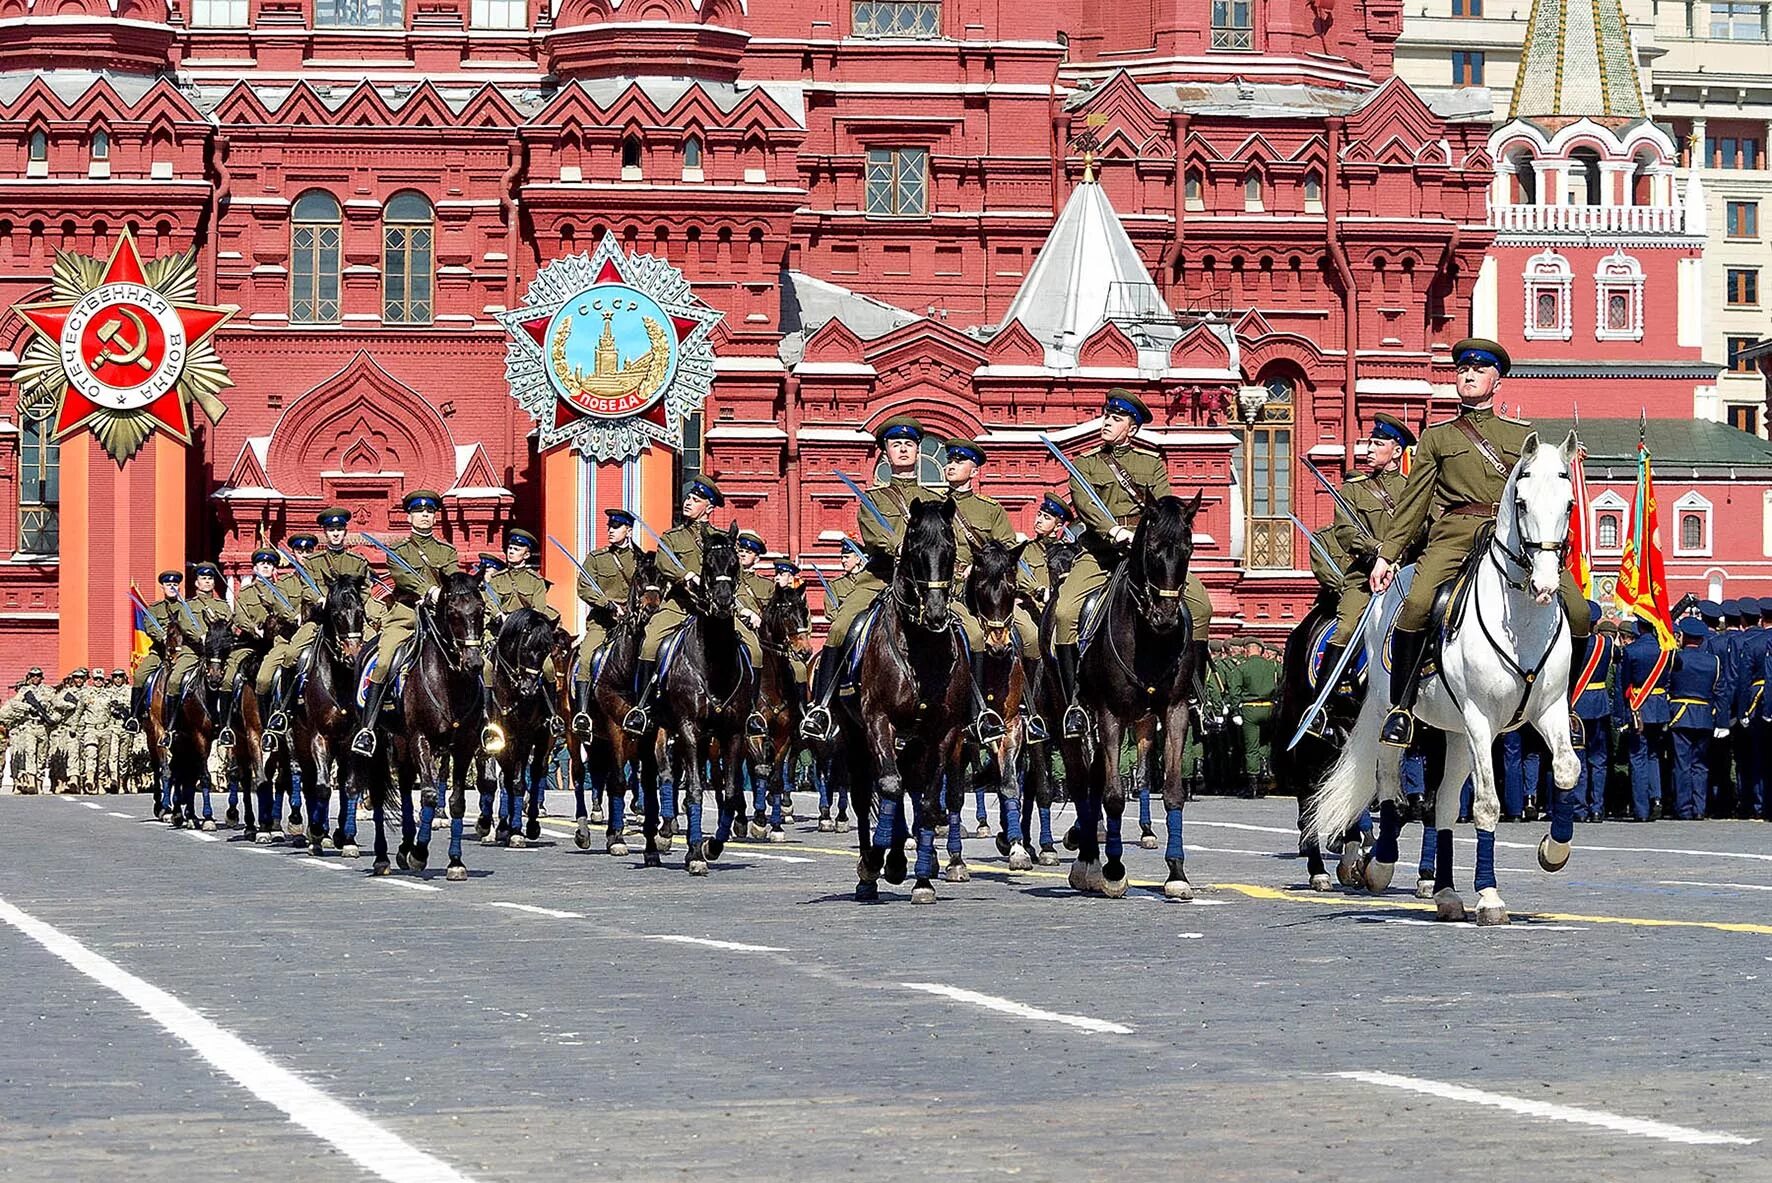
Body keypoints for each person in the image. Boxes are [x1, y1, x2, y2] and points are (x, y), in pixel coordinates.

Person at [1367, 338, 1592, 747]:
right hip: (1454, 534)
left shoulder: (1523, 435)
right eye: (1461, 371)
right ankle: (1401, 707)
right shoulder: (1437, 438)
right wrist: (1388, 554)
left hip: (1514, 538)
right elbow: (1414, 503)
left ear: (1497, 381)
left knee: (1578, 611)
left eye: (1478, 371)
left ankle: (1566, 704)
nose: (1467, 376)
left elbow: (1542, 485)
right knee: (1417, 604)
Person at [1051, 389, 1213, 739]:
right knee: (1065, 613)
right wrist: (1113, 531)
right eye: (1107, 415)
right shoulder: (1086, 464)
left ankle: (1197, 695)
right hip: (1100, 553)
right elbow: (1085, 505)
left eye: (1117, 418)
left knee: (1201, 607)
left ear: (1133, 429)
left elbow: (1165, 507)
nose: (1107, 422)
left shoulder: (1151, 464)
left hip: (1147, 554)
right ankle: (1074, 705)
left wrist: (1148, 535)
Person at [802, 416, 941, 742]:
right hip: (879, 577)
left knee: (966, 629)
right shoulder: (873, 499)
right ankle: (821, 707)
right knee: (840, 627)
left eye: (909, 444)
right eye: (896, 445)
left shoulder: (934, 500)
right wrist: (905, 549)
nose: (903, 450)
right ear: (886, 453)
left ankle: (972, 707)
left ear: (918, 451)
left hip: (924, 584)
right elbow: (875, 536)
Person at [625, 477, 762, 736]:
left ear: (709, 507)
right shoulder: (673, 537)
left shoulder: (722, 540)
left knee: (754, 650)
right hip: (680, 605)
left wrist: (743, 607)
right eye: (688, 498)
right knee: (651, 642)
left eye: (695, 500)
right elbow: (664, 563)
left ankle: (751, 712)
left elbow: (735, 578)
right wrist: (686, 575)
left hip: (718, 611)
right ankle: (642, 708)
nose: (688, 502)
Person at [942, 437, 1045, 742]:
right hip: (946, 590)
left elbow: (1011, 556)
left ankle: (1030, 708)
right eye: (950, 460)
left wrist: (1030, 588)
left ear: (974, 472)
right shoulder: (937, 507)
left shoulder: (990, 510)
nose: (951, 465)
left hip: (988, 593)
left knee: (1030, 636)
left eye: (959, 462)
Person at [352, 490, 459, 757]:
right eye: (420, 512)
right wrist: (429, 591)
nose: (425, 516)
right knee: (385, 659)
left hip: (438, 620)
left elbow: (454, 579)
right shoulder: (398, 551)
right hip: (405, 617)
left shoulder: (445, 551)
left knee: (472, 661)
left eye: (430, 512)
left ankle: (480, 723)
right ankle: (367, 728)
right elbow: (403, 579)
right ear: (410, 516)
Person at [1315, 412, 1415, 695]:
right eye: (1369, 443)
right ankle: (1322, 701)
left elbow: (1426, 529)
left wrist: (1399, 557)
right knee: (1346, 628)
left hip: (1406, 574)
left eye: (1377, 444)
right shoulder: (1354, 490)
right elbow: (1346, 532)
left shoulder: (1414, 489)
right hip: (1364, 577)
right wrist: (1379, 551)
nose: (1368, 449)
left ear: (1397, 451)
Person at [571, 508, 641, 735]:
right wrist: (608, 605)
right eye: (609, 526)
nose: (610, 530)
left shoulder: (639, 559)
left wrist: (632, 610)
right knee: (586, 656)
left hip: (634, 623)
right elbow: (584, 587)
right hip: (602, 622)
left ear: (628, 531)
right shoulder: (596, 558)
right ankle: (582, 713)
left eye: (616, 527)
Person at [1617, 615, 1671, 821]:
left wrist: (1622, 715)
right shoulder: (1664, 650)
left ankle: (1641, 809)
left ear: (1639, 627)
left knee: (1638, 757)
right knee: (1654, 755)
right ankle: (1656, 799)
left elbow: (1625, 685)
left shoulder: (1631, 650)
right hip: (1659, 707)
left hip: (1638, 706)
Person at [1669, 615, 1722, 821]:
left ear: (1684, 637)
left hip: (1680, 715)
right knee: (1700, 765)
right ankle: (1700, 808)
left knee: (1682, 764)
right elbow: (1720, 691)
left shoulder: (1677, 658)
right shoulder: (1713, 661)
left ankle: (1684, 808)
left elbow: (1669, 685)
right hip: (1705, 716)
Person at [1570, 600, 1615, 822]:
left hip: (1577, 705)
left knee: (1578, 756)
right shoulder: (1606, 644)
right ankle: (1598, 807)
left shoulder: (1570, 643)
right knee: (1599, 759)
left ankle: (1579, 807)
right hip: (1599, 704)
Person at [307, 507, 386, 629]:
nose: (336, 533)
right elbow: (307, 588)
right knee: (298, 644)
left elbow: (364, 588)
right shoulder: (313, 562)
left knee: (376, 642)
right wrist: (320, 599)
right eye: (331, 530)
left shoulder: (357, 561)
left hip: (352, 616)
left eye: (339, 529)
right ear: (325, 532)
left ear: (345, 532)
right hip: (322, 618)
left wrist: (352, 603)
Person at [483, 528, 557, 626]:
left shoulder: (535, 580)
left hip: (527, 624)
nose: (511, 552)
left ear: (526, 555)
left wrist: (523, 621)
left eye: (516, 549)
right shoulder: (497, 578)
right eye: (510, 548)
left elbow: (539, 608)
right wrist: (499, 615)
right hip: (501, 624)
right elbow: (491, 602)